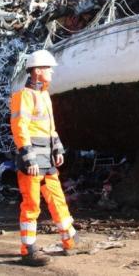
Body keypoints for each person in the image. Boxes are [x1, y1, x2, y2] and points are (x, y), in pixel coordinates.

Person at [9, 49, 91, 266]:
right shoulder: (23, 96)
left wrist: (57, 147)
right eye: (49, 69)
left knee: (57, 198)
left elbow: (50, 126)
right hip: (33, 159)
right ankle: (28, 250)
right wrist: (28, 157)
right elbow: (20, 127)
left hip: (47, 158)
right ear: (36, 71)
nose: (52, 73)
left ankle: (71, 240)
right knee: (32, 204)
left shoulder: (44, 96)